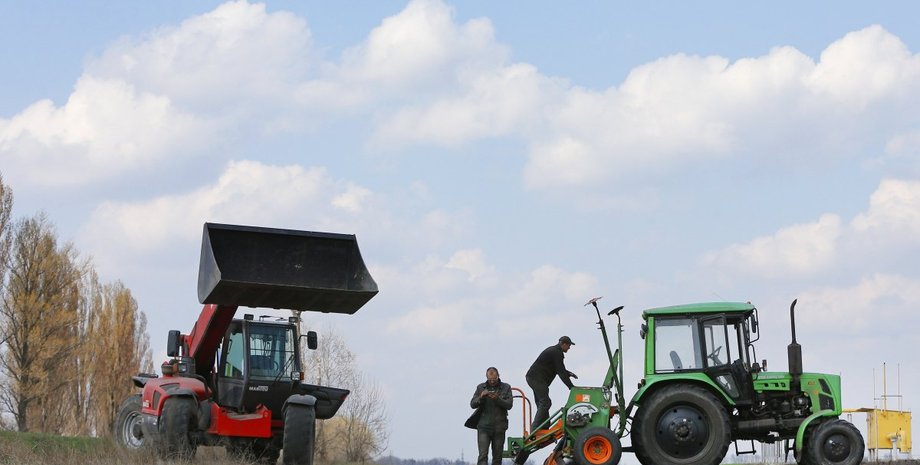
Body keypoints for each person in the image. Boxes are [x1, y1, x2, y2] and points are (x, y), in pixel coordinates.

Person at [525, 336, 578, 431]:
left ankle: (544, 426)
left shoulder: (554, 351)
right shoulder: (556, 353)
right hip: (536, 379)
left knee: (542, 403)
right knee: (545, 402)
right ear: (563, 344)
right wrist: (571, 387)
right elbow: (560, 371)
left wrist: (568, 373)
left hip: (533, 378)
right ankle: (535, 429)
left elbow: (559, 369)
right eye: (569, 346)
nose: (569, 348)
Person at [465, 367, 513, 465]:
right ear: (486, 377)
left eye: (494, 380)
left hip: (499, 428)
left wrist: (497, 399)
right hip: (484, 428)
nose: (492, 382)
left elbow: (509, 405)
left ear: (498, 376)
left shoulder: (506, 387)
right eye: (490, 380)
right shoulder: (480, 388)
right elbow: (472, 404)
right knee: (482, 456)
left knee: (497, 458)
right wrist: (480, 397)